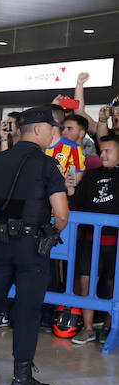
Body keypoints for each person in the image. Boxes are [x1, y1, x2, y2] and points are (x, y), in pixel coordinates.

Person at [0, 106, 69, 385]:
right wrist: (52, 232)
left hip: (0, 242)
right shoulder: (47, 165)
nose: (53, 133)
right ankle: (22, 378)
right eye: (50, 128)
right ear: (37, 130)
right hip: (32, 245)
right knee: (28, 307)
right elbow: (61, 212)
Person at [66, 135, 119, 345]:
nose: (103, 155)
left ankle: (108, 326)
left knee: (112, 284)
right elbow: (77, 198)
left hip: (114, 242)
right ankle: (88, 328)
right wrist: (70, 189)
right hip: (90, 239)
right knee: (85, 281)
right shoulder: (91, 175)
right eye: (101, 151)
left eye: (108, 151)